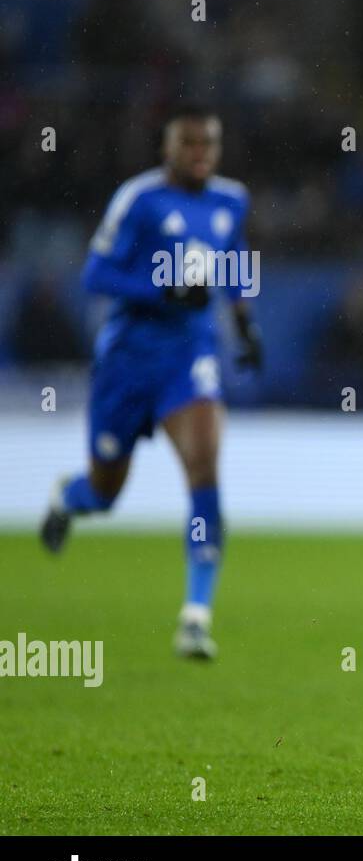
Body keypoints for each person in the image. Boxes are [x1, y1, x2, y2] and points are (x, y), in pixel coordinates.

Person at [39, 104, 263, 659]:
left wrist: (242, 324)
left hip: (190, 354)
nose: (199, 155)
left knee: (204, 467)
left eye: (208, 144)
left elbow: (232, 258)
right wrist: (159, 291)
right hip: (128, 359)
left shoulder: (230, 199)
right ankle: (70, 498)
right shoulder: (137, 199)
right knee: (105, 491)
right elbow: (96, 273)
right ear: (166, 148)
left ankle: (195, 615)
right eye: (189, 145)